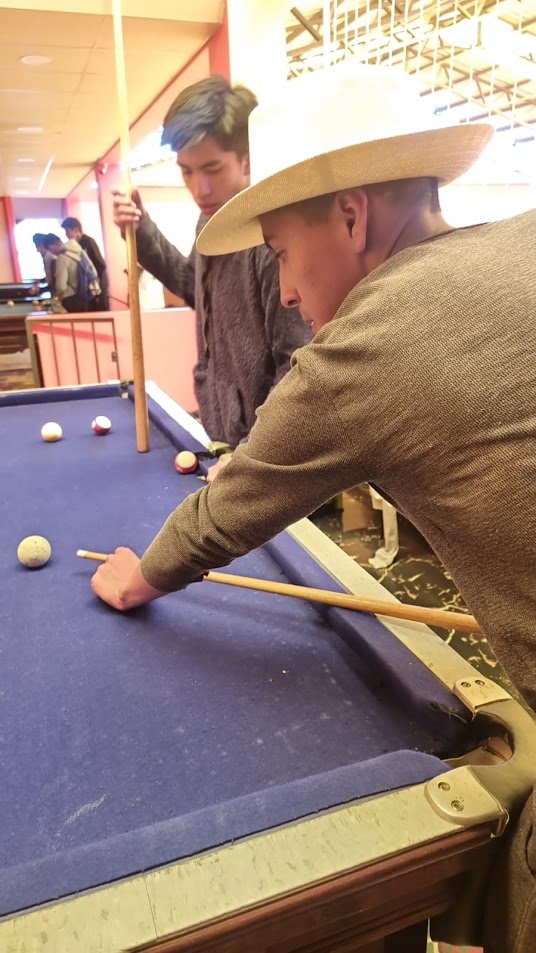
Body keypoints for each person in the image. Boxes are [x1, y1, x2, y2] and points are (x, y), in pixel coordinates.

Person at [93, 64, 536, 952]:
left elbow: (227, 512)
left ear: (352, 216)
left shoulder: (369, 342)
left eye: (283, 254)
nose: (288, 290)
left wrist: (139, 575)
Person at [112, 75, 311, 480]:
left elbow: (298, 366)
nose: (199, 188)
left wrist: (249, 459)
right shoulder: (209, 222)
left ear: (247, 160)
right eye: (186, 172)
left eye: (212, 169)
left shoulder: (272, 236)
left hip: (272, 463)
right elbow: (194, 288)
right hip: (224, 442)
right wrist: (141, 229)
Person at [61, 217, 109, 311]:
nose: (66, 235)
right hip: (86, 287)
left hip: (97, 285)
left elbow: (100, 265)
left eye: (67, 231)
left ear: (76, 230)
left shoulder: (89, 242)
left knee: (99, 312)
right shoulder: (76, 245)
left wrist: (97, 285)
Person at [43, 234, 88, 313]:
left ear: (52, 246)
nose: (51, 252)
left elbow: (61, 286)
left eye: (49, 249)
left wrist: (58, 296)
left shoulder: (62, 257)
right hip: (83, 294)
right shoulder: (77, 251)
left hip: (70, 298)